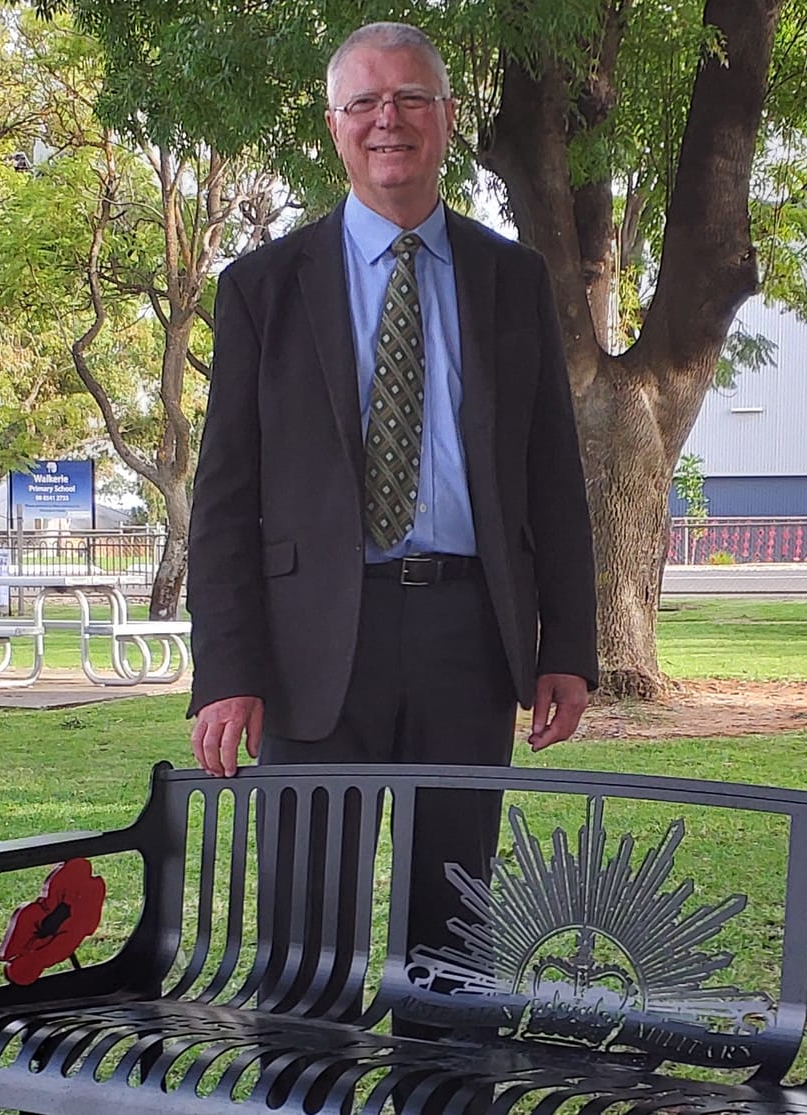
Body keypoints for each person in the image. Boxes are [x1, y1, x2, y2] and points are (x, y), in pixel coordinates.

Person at [184, 20, 599, 992]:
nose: (388, 121)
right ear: (333, 126)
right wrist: (226, 668)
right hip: (309, 644)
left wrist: (566, 646)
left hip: (468, 637)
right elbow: (223, 499)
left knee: (454, 937)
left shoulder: (512, 279)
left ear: (446, 120)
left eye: (410, 98)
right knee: (306, 936)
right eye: (364, 102)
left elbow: (551, 478)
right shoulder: (260, 290)